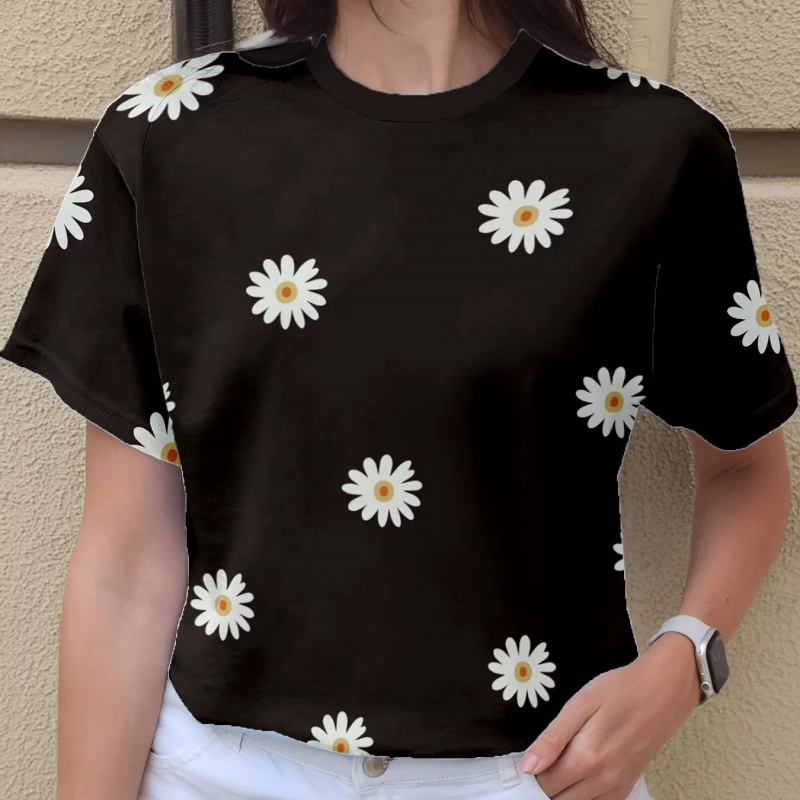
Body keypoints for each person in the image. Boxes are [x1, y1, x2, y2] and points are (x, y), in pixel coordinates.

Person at [2, 0, 796, 798]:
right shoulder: (168, 135)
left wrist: (684, 662)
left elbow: (745, 470)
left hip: (533, 773)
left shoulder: (654, 148)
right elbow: (126, 563)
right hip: (218, 769)